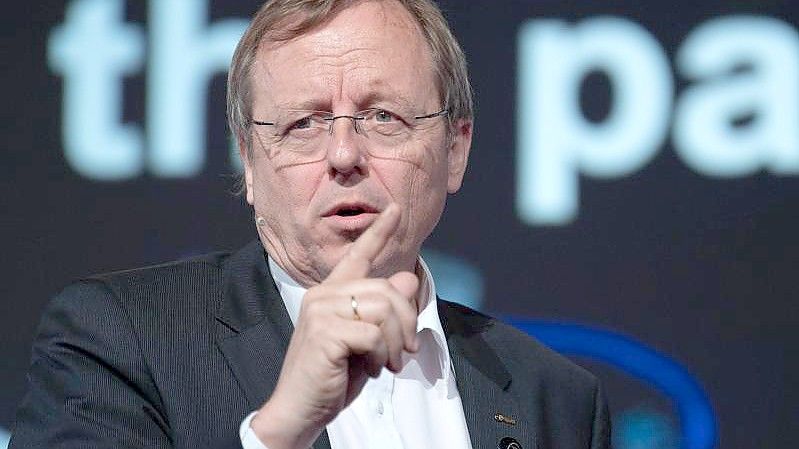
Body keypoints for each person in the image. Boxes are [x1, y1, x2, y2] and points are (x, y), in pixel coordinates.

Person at [9, 0, 610, 448]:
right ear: (248, 162)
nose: (344, 155)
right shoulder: (119, 340)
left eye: (383, 116)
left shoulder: (555, 399)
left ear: (456, 149)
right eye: (304, 123)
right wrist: (279, 434)